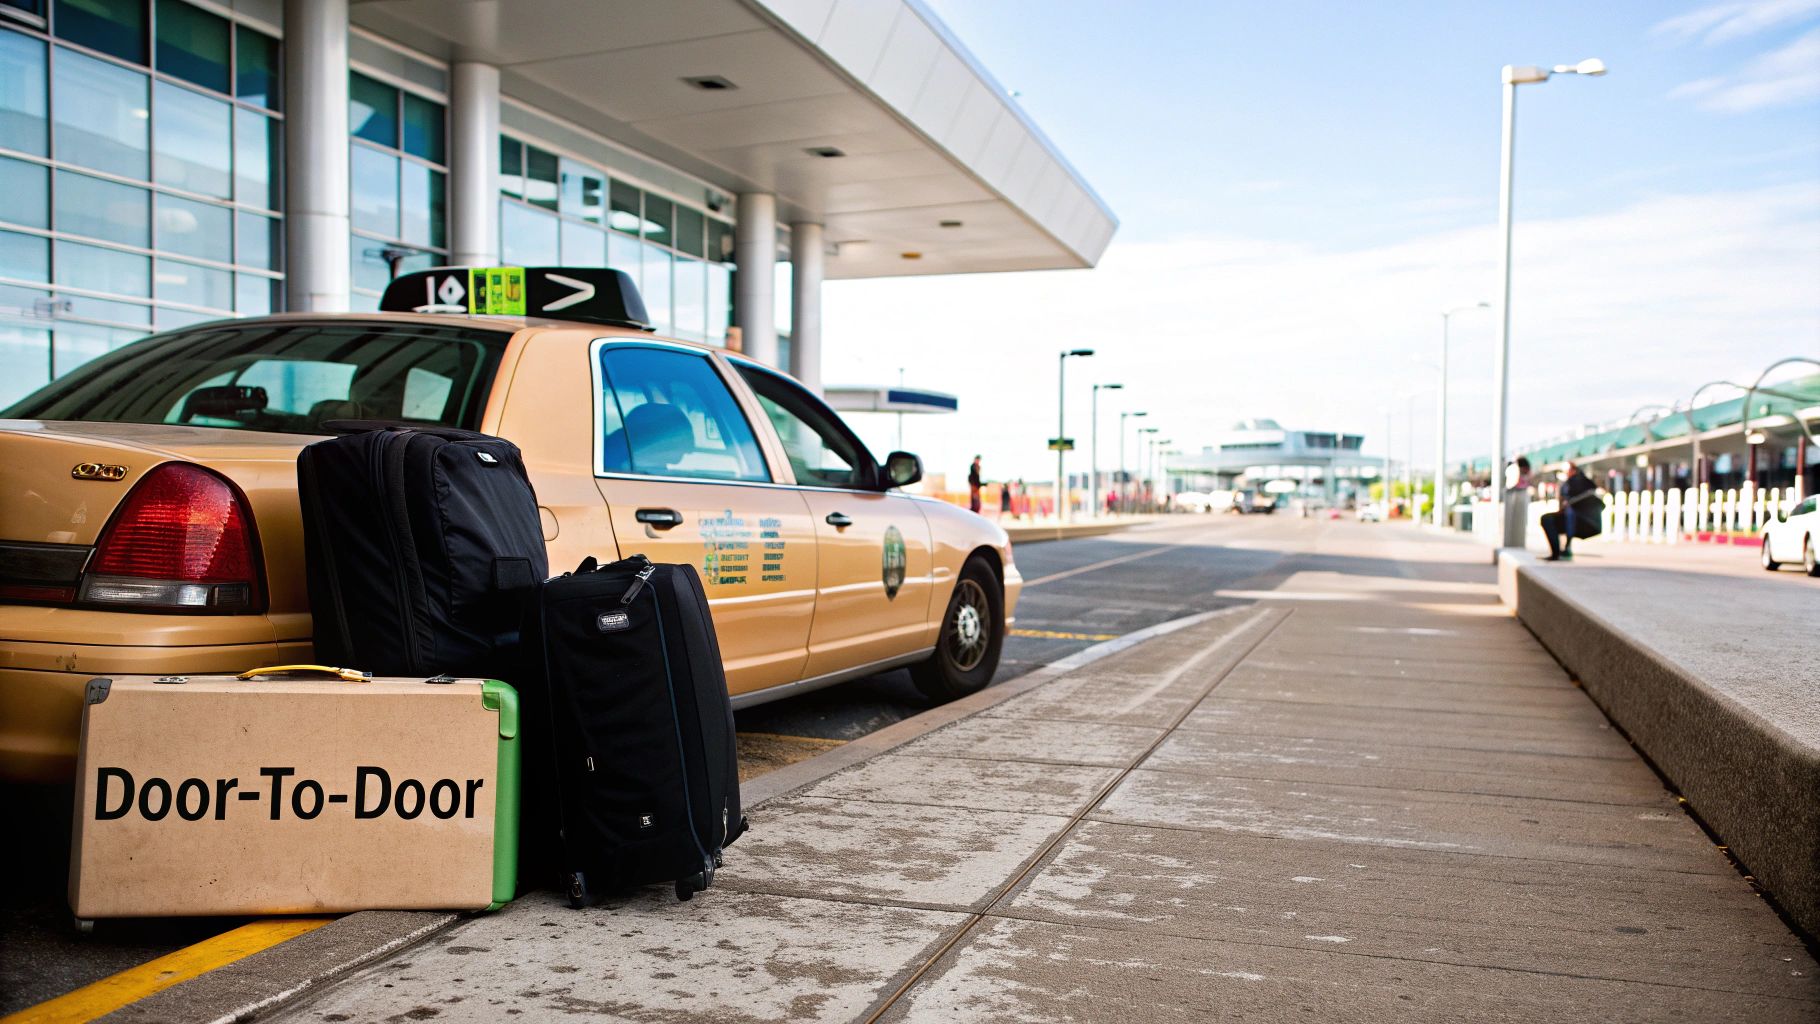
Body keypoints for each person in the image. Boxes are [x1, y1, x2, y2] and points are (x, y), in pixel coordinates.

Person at [1540, 461, 1602, 561]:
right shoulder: (1571, 482)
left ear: (1573, 470)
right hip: (1576, 518)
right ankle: (1560, 552)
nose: (1565, 473)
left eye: (1567, 471)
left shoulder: (1578, 480)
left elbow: (1580, 496)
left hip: (1582, 519)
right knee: (1548, 519)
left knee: (1548, 519)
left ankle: (1561, 552)